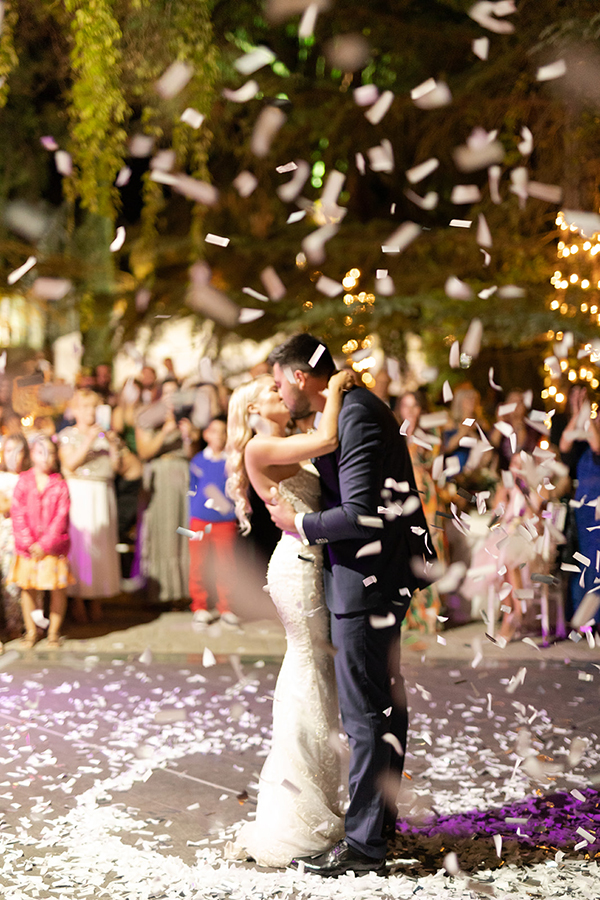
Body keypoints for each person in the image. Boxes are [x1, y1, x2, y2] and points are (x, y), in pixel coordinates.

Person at [268, 334, 435, 877]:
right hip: (378, 575)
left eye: (278, 381)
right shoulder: (349, 409)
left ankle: (364, 848)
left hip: (369, 578)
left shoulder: (357, 414)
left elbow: (360, 513)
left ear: (298, 377)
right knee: (381, 705)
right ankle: (377, 830)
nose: (277, 392)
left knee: (366, 712)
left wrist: (300, 525)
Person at [224, 368, 353, 867]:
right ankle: (297, 817)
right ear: (255, 411)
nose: (282, 392)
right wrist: (336, 387)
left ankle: (313, 803)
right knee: (308, 667)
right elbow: (329, 437)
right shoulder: (259, 447)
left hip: (312, 561)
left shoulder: (288, 440)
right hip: (296, 567)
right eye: (271, 392)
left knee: (316, 673)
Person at [58, 389, 121, 623]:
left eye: (93, 407)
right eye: (84, 407)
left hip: (102, 491)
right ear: (75, 410)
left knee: (101, 546)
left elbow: (114, 468)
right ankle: (76, 599)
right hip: (80, 491)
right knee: (81, 546)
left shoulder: (105, 435)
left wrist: (114, 446)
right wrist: (88, 440)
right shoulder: (67, 435)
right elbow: (70, 463)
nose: (89, 412)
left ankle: (97, 598)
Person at [8, 435, 74, 649]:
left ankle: (53, 631)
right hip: (28, 549)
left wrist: (45, 544)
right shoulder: (24, 481)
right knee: (29, 589)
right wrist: (28, 542)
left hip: (53, 548)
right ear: (32, 454)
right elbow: (17, 513)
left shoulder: (60, 485)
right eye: (40, 452)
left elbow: (60, 518)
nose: (45, 458)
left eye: (50, 453)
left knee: (56, 589)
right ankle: (32, 630)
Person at [136, 379, 195, 603]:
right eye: (167, 393)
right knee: (162, 531)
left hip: (182, 475)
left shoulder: (186, 418)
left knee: (183, 530)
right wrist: (165, 431)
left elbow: (191, 453)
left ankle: (183, 592)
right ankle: (160, 593)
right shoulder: (147, 417)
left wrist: (188, 436)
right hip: (160, 475)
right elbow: (144, 452)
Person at [188, 417, 240, 627]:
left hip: (225, 521)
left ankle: (226, 607)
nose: (219, 436)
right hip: (200, 520)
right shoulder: (198, 460)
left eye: (223, 431)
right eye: (214, 431)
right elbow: (193, 488)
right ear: (206, 435)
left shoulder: (233, 461)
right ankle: (199, 606)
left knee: (225, 564)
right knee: (198, 564)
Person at [0, 434, 30, 649]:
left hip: (20, 536)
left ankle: (15, 625)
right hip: (3, 533)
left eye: (18, 451)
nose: (13, 456)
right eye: (8, 450)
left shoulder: (28, 478)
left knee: (14, 583)